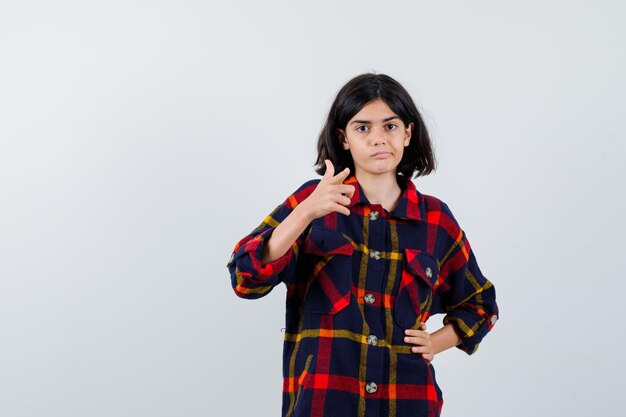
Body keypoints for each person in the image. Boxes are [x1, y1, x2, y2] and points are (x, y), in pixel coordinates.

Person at [227, 73, 499, 417]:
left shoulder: (435, 219)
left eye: (389, 126)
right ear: (343, 139)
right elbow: (246, 278)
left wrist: (437, 341)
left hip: (408, 402)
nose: (377, 139)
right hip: (324, 402)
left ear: (407, 133)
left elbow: (481, 303)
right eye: (362, 128)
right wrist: (307, 211)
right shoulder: (313, 202)